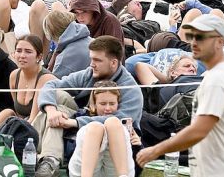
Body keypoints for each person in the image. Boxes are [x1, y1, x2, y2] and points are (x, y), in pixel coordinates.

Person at [136, 14, 224, 175]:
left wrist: (155, 151)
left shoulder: (218, 79)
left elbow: (199, 130)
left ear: (219, 42)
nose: (194, 43)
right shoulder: (223, 73)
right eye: (192, 37)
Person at [33, 37, 142, 177]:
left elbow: (119, 121)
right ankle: (50, 160)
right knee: (57, 99)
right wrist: (51, 110)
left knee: (101, 125)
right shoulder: (89, 74)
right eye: (91, 59)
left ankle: (44, 158)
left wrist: (75, 122)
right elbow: (50, 85)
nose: (92, 64)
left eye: (97, 60)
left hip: (114, 142)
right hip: (81, 129)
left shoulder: (131, 89)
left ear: (114, 63)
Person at [67, 81, 136, 177]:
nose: (108, 108)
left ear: (118, 104)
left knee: (113, 122)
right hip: (85, 166)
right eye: (103, 104)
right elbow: (70, 148)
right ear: (94, 104)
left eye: (112, 104)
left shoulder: (123, 121)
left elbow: (138, 158)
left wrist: (137, 144)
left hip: (116, 169)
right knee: (95, 127)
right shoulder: (81, 116)